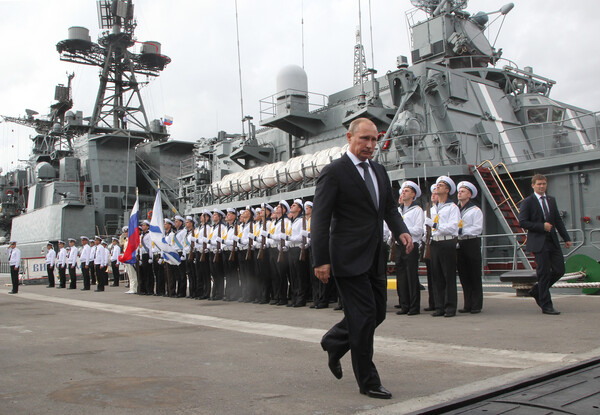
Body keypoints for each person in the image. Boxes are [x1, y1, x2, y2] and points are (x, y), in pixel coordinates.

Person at [312, 118, 412, 400]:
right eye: (364, 139)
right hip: (345, 257)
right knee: (364, 316)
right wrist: (320, 260)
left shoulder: (379, 170)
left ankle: (334, 340)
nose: (370, 145)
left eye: (374, 140)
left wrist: (401, 231)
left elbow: (389, 208)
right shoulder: (334, 172)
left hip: (374, 256)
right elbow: (319, 220)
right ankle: (368, 381)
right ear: (349, 137)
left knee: (377, 313)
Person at [518, 174, 572, 315]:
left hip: (552, 241)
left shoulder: (551, 200)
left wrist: (566, 238)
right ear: (533, 185)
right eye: (539, 184)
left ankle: (537, 290)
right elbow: (523, 222)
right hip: (538, 242)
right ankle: (546, 305)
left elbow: (558, 221)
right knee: (544, 273)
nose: (541, 186)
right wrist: (542, 226)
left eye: (543, 184)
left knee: (560, 270)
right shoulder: (527, 202)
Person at [424, 176, 460, 317]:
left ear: (447, 190)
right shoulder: (433, 209)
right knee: (437, 276)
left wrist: (435, 225)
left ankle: (450, 307)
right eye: (437, 185)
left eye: (441, 185)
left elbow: (453, 227)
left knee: (448, 275)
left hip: (447, 242)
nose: (437, 187)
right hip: (435, 242)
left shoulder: (452, 207)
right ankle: (439, 307)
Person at [394, 181, 424, 316]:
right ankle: (404, 305)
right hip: (398, 245)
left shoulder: (417, 210)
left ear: (413, 194)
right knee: (401, 276)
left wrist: (403, 231)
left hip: (411, 245)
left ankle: (414, 307)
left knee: (411, 276)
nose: (403, 192)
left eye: (407, 191)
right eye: (403, 190)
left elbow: (418, 230)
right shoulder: (398, 210)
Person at [456, 181, 484, 314]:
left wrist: (461, 231)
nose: (460, 193)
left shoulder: (475, 210)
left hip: (471, 242)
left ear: (469, 195)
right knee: (464, 275)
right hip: (459, 244)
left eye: (463, 191)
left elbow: (477, 229)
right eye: (459, 191)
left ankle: (476, 304)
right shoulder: (456, 209)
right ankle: (467, 303)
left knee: (474, 275)